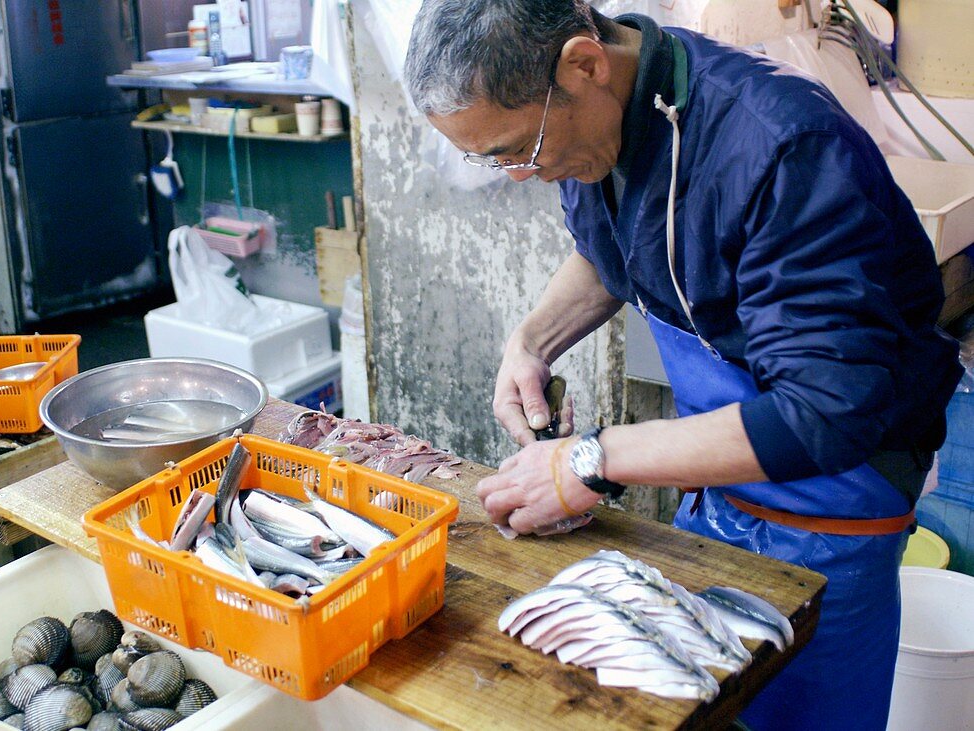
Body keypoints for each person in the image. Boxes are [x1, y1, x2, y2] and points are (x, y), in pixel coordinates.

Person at [403, 1, 963, 729]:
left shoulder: (784, 147)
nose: (518, 174)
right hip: (717, 491)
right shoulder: (599, 125)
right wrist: (532, 341)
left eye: (517, 148)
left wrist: (589, 459)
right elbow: (612, 253)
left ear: (585, 63)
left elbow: (824, 411)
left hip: (837, 508)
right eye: (491, 158)